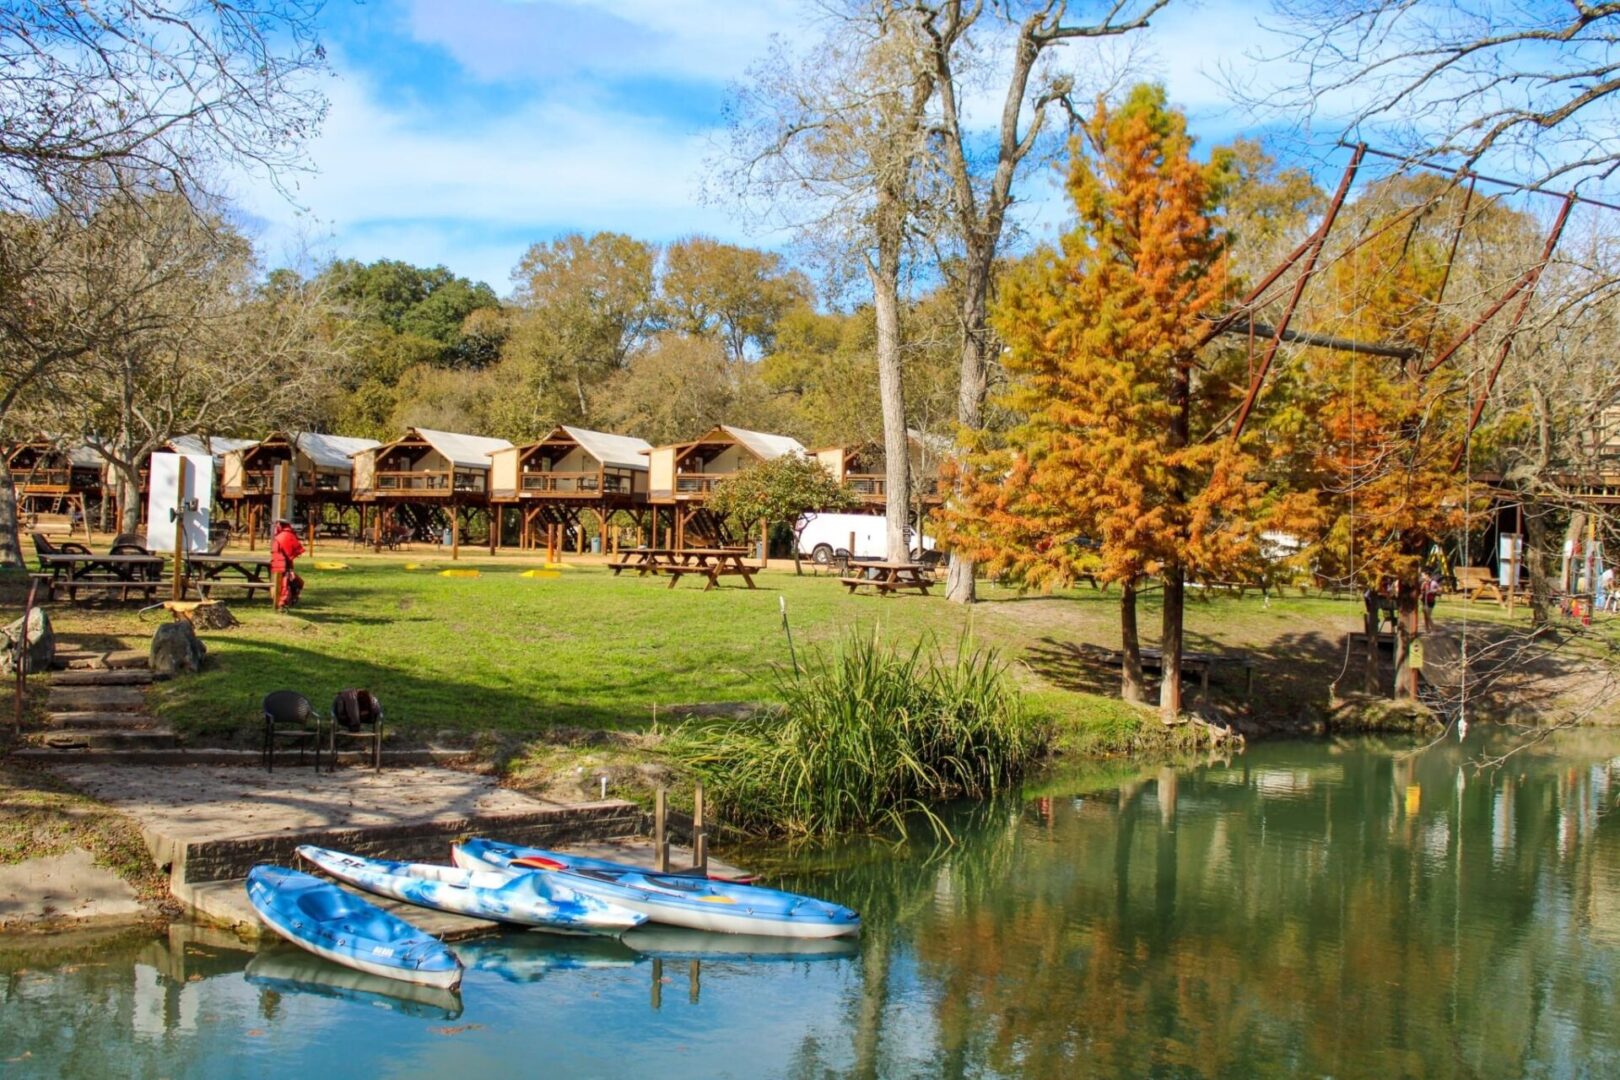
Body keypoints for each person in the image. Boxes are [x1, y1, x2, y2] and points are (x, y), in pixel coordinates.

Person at [270, 519, 305, 610]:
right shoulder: (288, 535)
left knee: (285, 583)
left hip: (282, 565)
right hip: (280, 564)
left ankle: (283, 602)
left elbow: (290, 553)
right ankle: (284, 601)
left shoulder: (283, 536)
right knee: (285, 583)